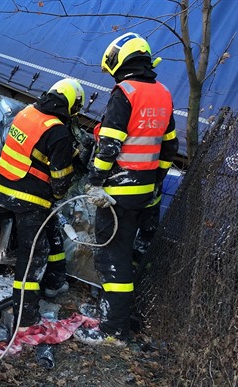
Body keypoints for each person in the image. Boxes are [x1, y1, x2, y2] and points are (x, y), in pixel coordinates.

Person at [76, 32, 179, 345]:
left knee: (112, 258)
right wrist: (156, 181)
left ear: (121, 61)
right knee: (128, 255)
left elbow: (108, 145)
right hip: (145, 193)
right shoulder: (162, 92)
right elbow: (170, 147)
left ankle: (113, 329)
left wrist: (94, 181)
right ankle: (114, 312)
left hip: (117, 194)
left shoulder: (125, 92)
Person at [0, 78, 85, 333]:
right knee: (33, 255)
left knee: (48, 237)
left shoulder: (29, 112)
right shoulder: (58, 131)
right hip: (30, 198)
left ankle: (55, 281)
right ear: (71, 104)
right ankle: (26, 316)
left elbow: (34, 148)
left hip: (7, 189)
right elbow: (60, 179)